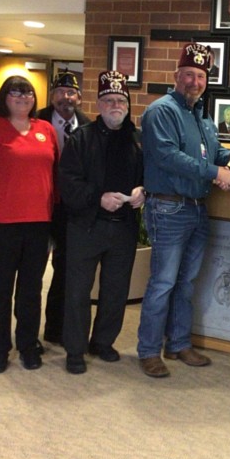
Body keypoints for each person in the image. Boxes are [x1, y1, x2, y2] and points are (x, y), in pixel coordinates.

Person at [137, 42, 230, 378]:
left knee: (186, 282)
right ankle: (149, 350)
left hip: (197, 209)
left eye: (200, 76)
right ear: (176, 76)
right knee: (163, 282)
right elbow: (169, 157)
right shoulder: (161, 111)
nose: (194, 81)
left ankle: (178, 342)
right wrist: (215, 172)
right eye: (188, 75)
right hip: (169, 209)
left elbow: (211, 150)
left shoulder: (200, 113)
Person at [0, 75, 58, 373]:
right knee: (2, 290)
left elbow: (55, 177)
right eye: (15, 92)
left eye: (28, 92)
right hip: (3, 225)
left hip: (39, 224)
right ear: (3, 97)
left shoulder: (45, 129)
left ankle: (28, 345)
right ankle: (0, 348)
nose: (22, 97)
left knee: (32, 290)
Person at [60, 70, 145, 374]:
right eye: (108, 100)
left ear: (127, 104)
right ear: (98, 103)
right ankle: (75, 349)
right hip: (87, 226)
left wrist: (141, 192)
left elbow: (146, 177)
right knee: (78, 291)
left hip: (123, 228)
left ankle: (103, 342)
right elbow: (67, 183)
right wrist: (98, 198)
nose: (115, 105)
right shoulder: (80, 138)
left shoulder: (137, 139)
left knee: (115, 291)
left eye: (120, 100)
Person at [36, 69, 91, 346]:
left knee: (65, 268)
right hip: (40, 205)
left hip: (71, 209)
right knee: (32, 269)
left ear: (79, 98)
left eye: (71, 93)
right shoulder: (37, 121)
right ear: (52, 96)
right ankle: (28, 333)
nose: (65, 97)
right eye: (60, 92)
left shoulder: (87, 125)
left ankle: (56, 329)